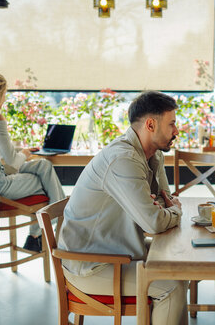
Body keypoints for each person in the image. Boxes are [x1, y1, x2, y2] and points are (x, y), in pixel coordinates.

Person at [58, 91, 188, 325]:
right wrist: (175, 212)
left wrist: (163, 208)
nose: (176, 131)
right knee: (172, 285)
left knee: (181, 268)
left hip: (117, 250)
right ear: (150, 124)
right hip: (93, 266)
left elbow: (163, 200)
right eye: (172, 124)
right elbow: (156, 221)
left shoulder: (152, 155)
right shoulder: (123, 159)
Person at [0, 72, 65, 252]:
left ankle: (42, 232)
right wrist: (23, 153)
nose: (5, 98)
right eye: (4, 93)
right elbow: (13, 163)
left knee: (43, 165)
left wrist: (22, 153)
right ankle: (53, 226)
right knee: (42, 181)